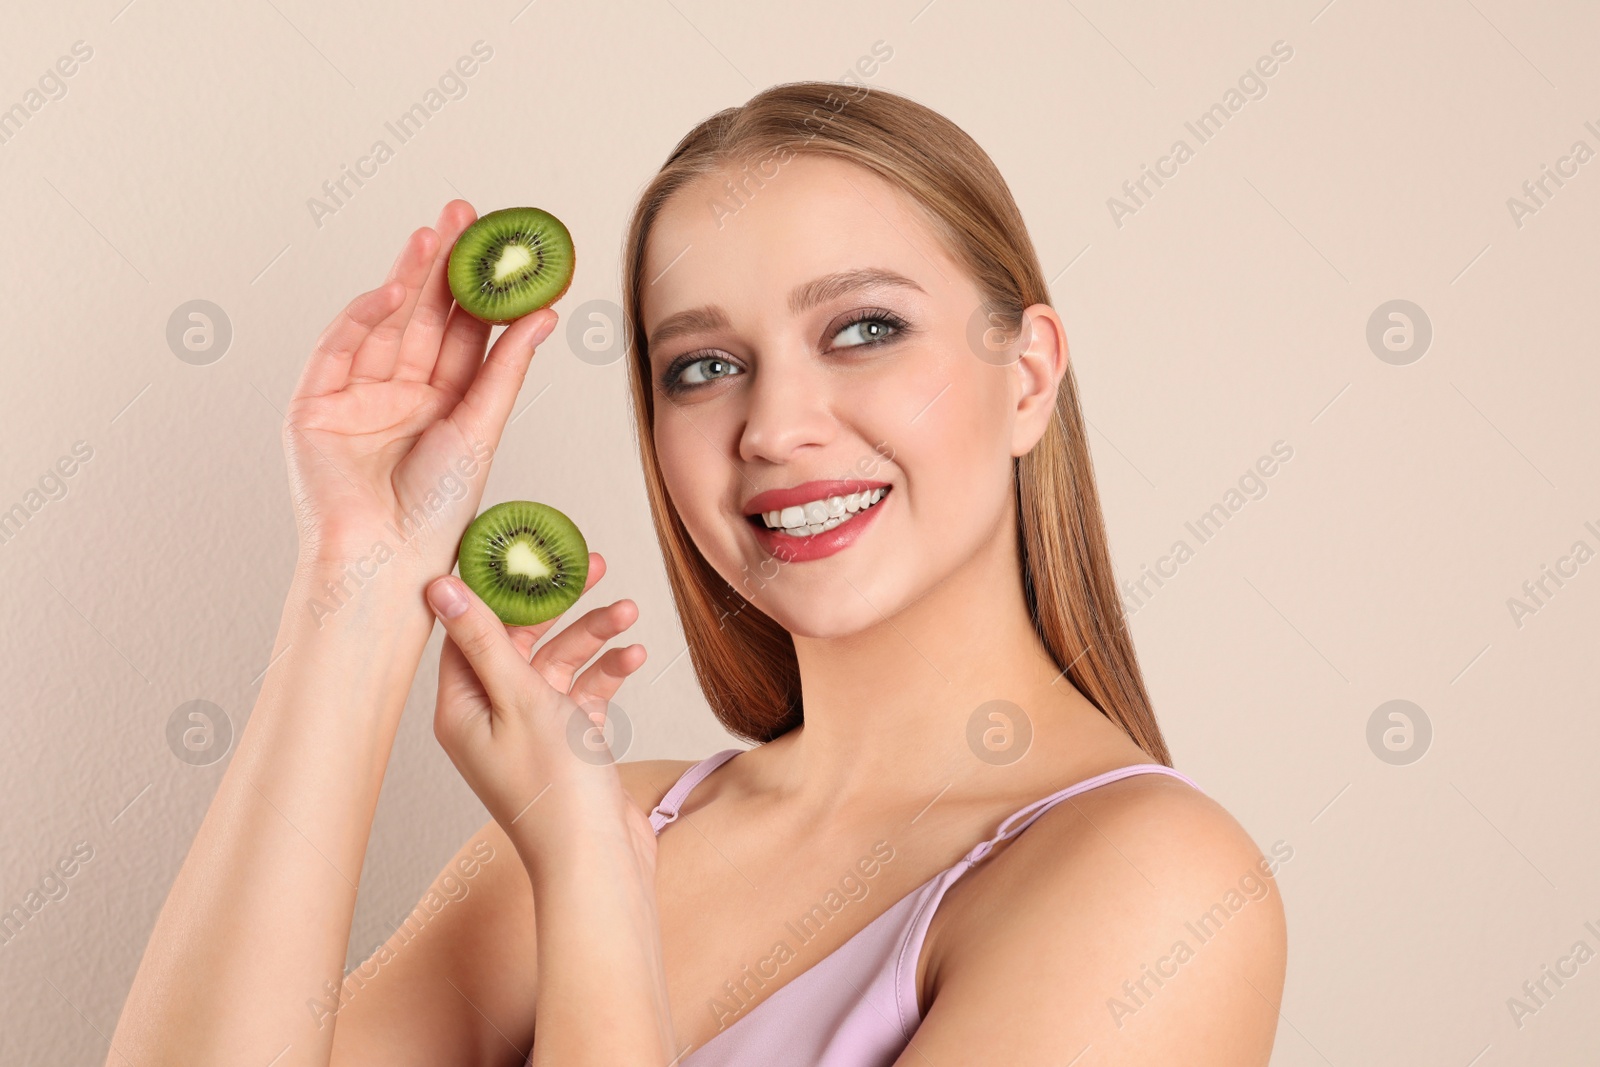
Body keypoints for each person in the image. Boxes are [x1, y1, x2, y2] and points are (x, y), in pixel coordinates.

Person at [109, 81, 1287, 1066]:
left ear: (1026, 378)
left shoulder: (1154, 883)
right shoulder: (609, 812)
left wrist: (589, 892)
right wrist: (360, 580)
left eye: (865, 328)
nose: (774, 423)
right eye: (704, 364)